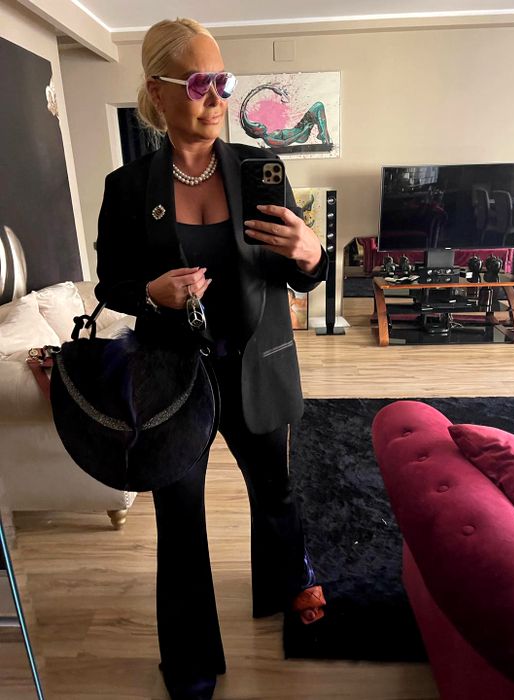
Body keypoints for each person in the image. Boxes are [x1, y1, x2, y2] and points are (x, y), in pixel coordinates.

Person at [95, 17, 328, 700]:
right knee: (179, 516)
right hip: (174, 377)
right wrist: (151, 293)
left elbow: (293, 274)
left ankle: (285, 579)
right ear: (157, 92)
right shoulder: (127, 187)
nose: (217, 97)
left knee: (275, 488)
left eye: (222, 81)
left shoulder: (259, 170)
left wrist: (311, 255)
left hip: (256, 364)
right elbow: (111, 284)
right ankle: (189, 657)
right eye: (199, 83)